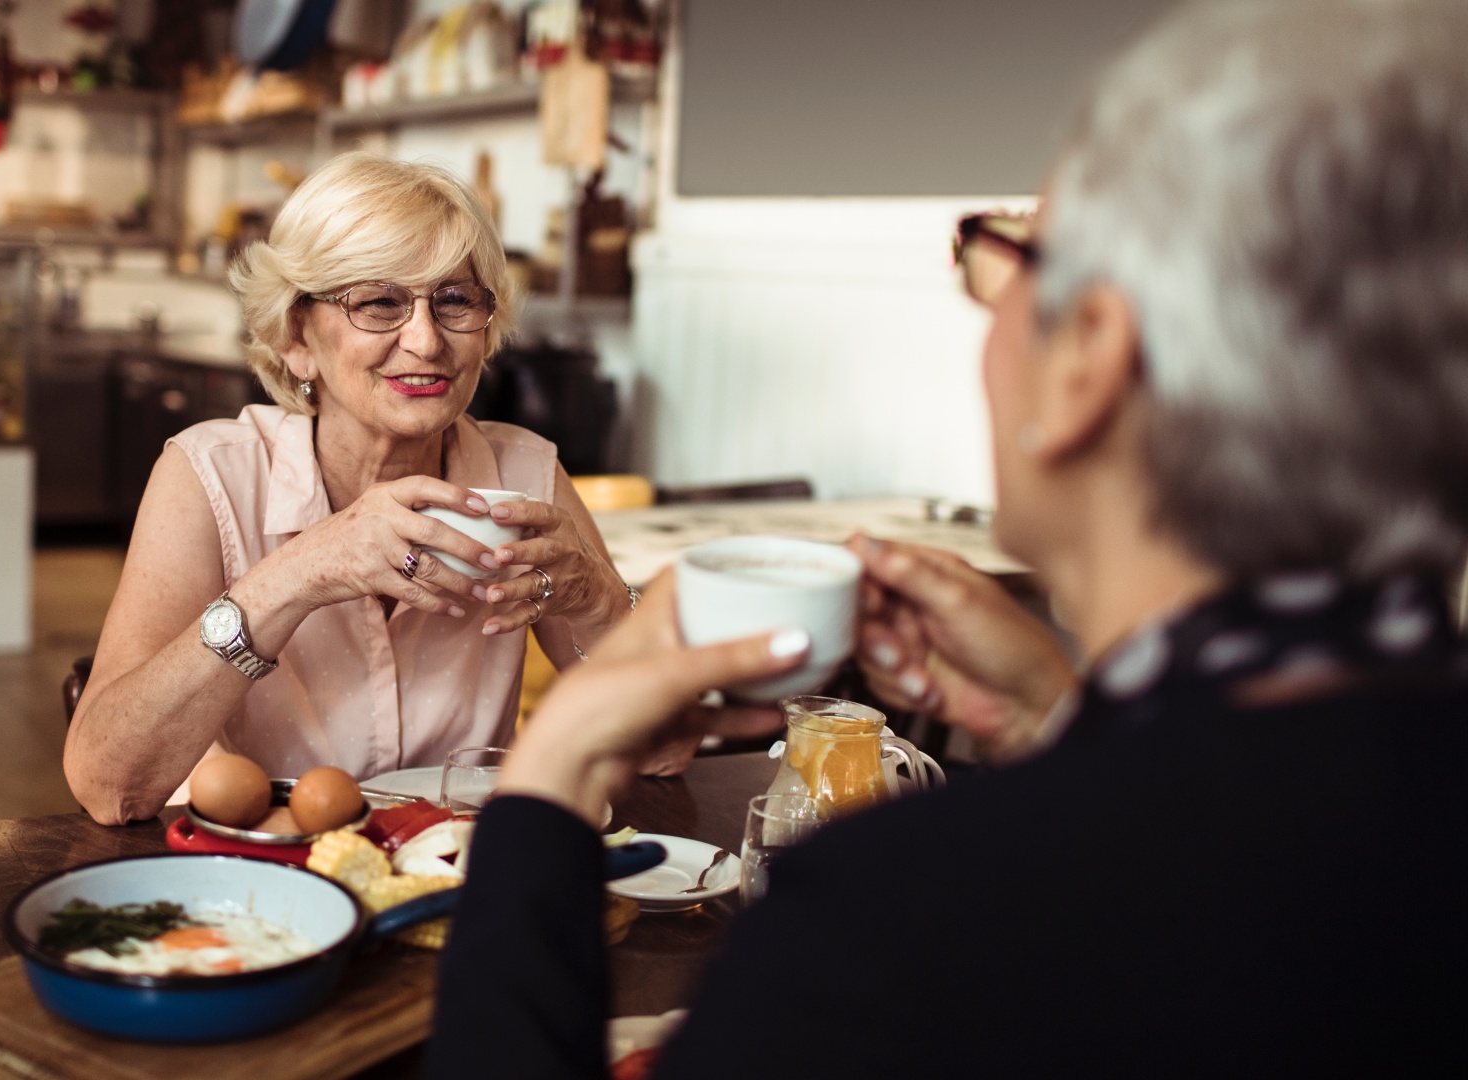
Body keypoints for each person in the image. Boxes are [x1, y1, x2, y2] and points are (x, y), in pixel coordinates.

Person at [425, 0, 1468, 1074]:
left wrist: (546, 792)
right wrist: (1064, 725)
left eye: (1009, 255)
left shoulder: (900, 925)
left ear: (1088, 361)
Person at [65, 153, 635, 825]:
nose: (425, 341)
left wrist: (598, 601)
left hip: (455, 880)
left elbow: (667, 750)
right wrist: (300, 572)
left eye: (454, 301)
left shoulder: (526, 476)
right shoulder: (210, 475)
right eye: (378, 303)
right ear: (298, 337)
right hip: (265, 885)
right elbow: (110, 786)